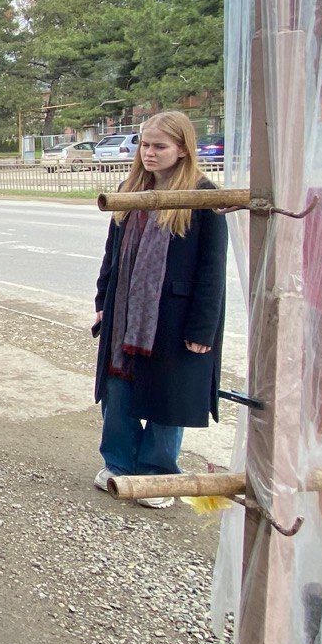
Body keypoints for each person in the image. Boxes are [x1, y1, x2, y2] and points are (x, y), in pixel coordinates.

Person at [92, 111, 227, 509]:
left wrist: (203, 329)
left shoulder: (203, 195)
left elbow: (212, 269)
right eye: (144, 145)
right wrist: (102, 302)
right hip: (124, 312)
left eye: (159, 146)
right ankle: (118, 464)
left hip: (175, 318)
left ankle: (156, 474)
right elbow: (112, 255)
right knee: (118, 390)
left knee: (169, 396)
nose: (148, 153)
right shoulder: (130, 189)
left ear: (183, 149)